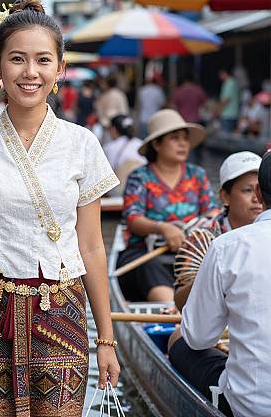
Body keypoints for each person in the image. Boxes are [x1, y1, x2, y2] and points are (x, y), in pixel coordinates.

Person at [0, 0, 120, 416]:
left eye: (43, 60)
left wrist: (106, 339)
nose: (30, 72)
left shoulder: (82, 143)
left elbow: (92, 248)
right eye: (17, 59)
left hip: (61, 311)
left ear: (59, 70)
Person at [175, 152, 271, 417]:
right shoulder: (206, 236)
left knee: (178, 340)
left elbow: (198, 337)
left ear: (260, 196)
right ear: (225, 196)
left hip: (253, 406)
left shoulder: (226, 247)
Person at [118, 109, 218, 302]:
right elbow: (132, 219)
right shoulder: (140, 177)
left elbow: (212, 211)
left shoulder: (197, 175)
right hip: (145, 255)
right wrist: (163, 228)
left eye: (185, 138)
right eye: (175, 138)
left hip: (191, 255)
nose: (182, 144)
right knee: (151, 267)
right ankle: (169, 311)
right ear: (156, 144)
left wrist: (191, 229)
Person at [103, 114, 146, 195]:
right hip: (143, 190)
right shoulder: (141, 144)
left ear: (114, 129)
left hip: (118, 195)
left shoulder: (109, 148)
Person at [136, 72, 166, 137]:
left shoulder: (142, 90)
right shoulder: (158, 91)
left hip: (143, 119)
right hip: (155, 119)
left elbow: (138, 106)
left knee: (143, 142)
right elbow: (162, 106)